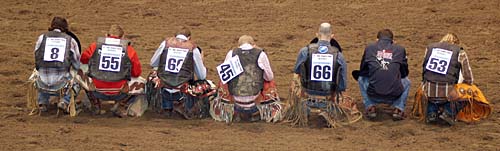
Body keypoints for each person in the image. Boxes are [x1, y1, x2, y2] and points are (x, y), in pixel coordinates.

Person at [288, 23, 360, 127]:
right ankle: (328, 109)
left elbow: (297, 70)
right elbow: (343, 85)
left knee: (296, 77)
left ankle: (302, 107)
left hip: (308, 91)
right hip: (328, 93)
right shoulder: (339, 55)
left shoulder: (305, 51)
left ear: (317, 34)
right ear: (332, 36)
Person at [80, 24, 142, 117]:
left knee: (80, 70)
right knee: (142, 83)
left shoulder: (95, 46)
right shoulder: (129, 50)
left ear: (106, 35)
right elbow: (136, 72)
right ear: (122, 37)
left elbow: (83, 59)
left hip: (97, 90)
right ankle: (121, 105)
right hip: (119, 91)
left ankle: (95, 105)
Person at [150, 26, 207, 119]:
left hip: (164, 88)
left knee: (152, 76)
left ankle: (163, 105)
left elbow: (153, 63)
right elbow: (202, 76)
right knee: (206, 85)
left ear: (175, 36)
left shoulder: (165, 44)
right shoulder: (193, 49)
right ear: (189, 38)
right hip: (182, 92)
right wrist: (202, 61)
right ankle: (185, 106)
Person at [356, 29, 410, 121]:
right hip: (394, 94)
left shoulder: (369, 48)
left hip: (373, 93)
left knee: (361, 78)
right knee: (407, 82)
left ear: (377, 40)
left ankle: (370, 106)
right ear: (392, 41)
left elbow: (363, 70)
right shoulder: (400, 49)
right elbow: (404, 73)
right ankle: (398, 108)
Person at [420, 33, 473, 124]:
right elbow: (468, 78)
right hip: (448, 94)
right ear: (456, 43)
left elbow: (424, 68)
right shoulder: (460, 52)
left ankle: (431, 112)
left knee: (430, 88)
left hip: (429, 91)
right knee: (468, 91)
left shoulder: (429, 49)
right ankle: (448, 112)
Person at [33, 17, 80, 114]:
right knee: (79, 76)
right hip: (61, 84)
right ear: (65, 29)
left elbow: (37, 57)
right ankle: (65, 101)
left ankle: (42, 102)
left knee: (40, 71)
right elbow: (77, 63)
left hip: (41, 83)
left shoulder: (41, 38)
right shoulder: (71, 40)